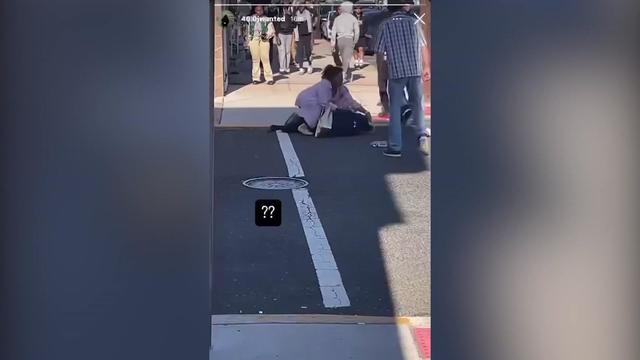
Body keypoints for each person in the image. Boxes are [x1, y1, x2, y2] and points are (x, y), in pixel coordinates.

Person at [374, 0, 430, 157]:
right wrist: (426, 67)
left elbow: (380, 52)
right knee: (417, 104)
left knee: (395, 109)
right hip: (415, 69)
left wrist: (382, 75)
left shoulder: (385, 25)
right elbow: (423, 46)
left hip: (396, 71)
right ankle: (421, 135)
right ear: (405, 6)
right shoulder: (414, 22)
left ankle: (395, 146)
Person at [270, 65, 373, 136]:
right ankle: (307, 126)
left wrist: (364, 111)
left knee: (323, 117)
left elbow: (351, 101)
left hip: (320, 105)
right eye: (339, 77)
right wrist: (338, 110)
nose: (341, 79)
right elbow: (324, 103)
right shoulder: (325, 85)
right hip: (309, 101)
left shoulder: (341, 88)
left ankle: (301, 124)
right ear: (332, 78)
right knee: (317, 118)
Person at [330, 1, 359, 83]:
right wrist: (355, 41)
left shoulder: (337, 18)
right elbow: (357, 31)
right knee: (346, 58)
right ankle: (345, 74)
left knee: (345, 57)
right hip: (347, 38)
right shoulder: (353, 18)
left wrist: (333, 42)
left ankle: (345, 74)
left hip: (341, 39)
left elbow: (333, 31)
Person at [246, 6, 276, 85]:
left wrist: (266, 36)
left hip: (264, 39)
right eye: (257, 10)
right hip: (254, 39)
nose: (259, 11)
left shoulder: (267, 19)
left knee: (265, 58)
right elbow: (248, 31)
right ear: (255, 10)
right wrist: (248, 42)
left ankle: (269, 78)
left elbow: (272, 30)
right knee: (255, 59)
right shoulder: (251, 19)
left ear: (263, 10)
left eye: (260, 10)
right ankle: (255, 78)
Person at [294, 2, 314, 74]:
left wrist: (312, 37)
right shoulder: (296, 13)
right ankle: (301, 67)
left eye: (302, 6)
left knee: (308, 51)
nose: (301, 7)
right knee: (300, 52)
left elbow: (311, 24)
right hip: (300, 36)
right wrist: (296, 38)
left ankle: (310, 65)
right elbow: (295, 26)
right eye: (300, 6)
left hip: (307, 35)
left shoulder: (308, 12)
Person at [276, 5, 296, 74]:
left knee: (287, 51)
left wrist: (290, 16)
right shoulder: (279, 11)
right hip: (281, 33)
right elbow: (277, 23)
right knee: (282, 51)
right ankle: (282, 68)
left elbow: (295, 24)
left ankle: (287, 68)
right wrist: (277, 35)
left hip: (289, 33)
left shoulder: (292, 12)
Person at [353, 5, 368, 69]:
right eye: (357, 9)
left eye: (359, 9)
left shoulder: (364, 17)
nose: (358, 10)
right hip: (353, 36)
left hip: (361, 36)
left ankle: (361, 63)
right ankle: (356, 62)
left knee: (361, 49)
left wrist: (364, 32)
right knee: (354, 50)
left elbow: (366, 26)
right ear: (354, 10)